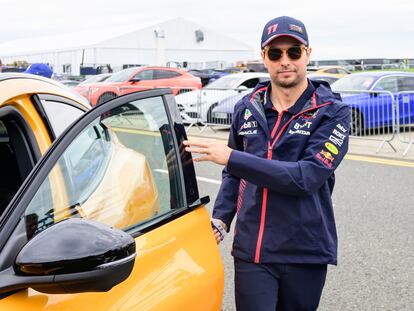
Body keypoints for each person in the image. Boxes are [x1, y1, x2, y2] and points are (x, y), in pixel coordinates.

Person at [183, 16, 350, 311]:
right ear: (264, 58)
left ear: (307, 54)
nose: (285, 61)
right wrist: (222, 217)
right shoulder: (246, 108)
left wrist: (233, 156)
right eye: (275, 53)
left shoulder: (332, 112)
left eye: (293, 52)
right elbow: (234, 173)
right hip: (253, 251)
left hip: (304, 251)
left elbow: (306, 178)